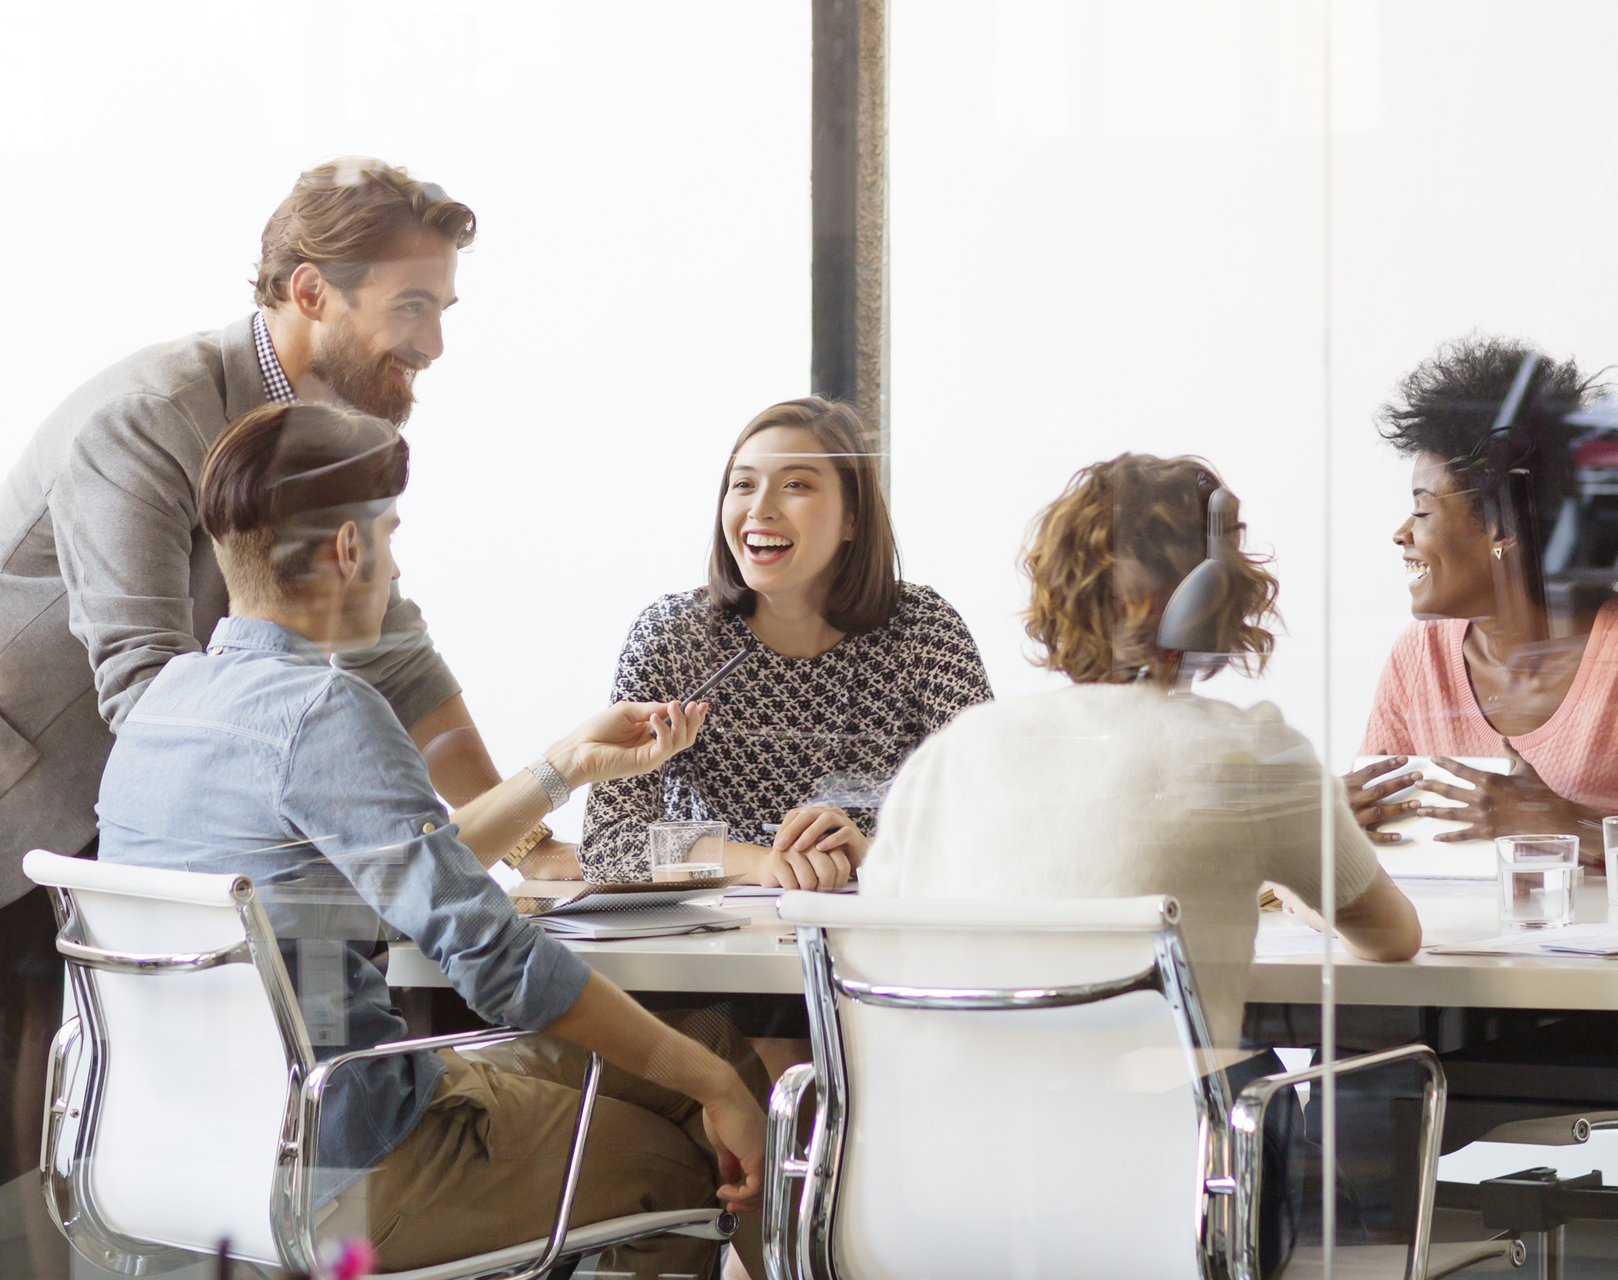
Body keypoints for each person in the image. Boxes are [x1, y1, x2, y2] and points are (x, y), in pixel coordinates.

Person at [0, 158, 578, 1261]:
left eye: (442, 308)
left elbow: (400, 653)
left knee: (81, 1126)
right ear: (313, 291)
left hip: (108, 810)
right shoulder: (147, 417)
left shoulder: (323, 432)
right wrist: (331, 801)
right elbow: (142, 684)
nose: (432, 344)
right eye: (412, 306)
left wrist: (541, 840)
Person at [97, 402, 769, 1277]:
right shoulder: (324, 711)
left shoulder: (167, 707)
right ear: (348, 549)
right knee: (700, 1147)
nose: (396, 563)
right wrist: (714, 1092)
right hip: (349, 1161)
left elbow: (412, 873)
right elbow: (495, 957)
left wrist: (564, 765)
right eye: (392, 535)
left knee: (704, 1046)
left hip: (181, 1158)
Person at [860, 453, 1422, 1277]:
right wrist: (1282, 885)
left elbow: (882, 951)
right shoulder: (1254, 751)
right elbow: (1391, 937)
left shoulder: (951, 755)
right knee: (1296, 1089)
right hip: (1165, 1207)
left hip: (941, 1199)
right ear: (1215, 598)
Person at [1349, 336, 1618, 879]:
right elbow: (1380, 845)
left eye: (1423, 512)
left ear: (1501, 524)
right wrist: (1338, 829)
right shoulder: (1418, 658)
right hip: (1470, 954)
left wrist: (1566, 823)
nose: (1401, 534)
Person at [579, 396, 993, 890]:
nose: (760, 508)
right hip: (707, 941)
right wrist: (759, 862)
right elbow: (607, 842)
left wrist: (874, 853)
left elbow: (990, 820)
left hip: (880, 932)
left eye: (795, 485)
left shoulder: (924, 629)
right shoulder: (672, 635)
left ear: (852, 520)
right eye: (744, 485)